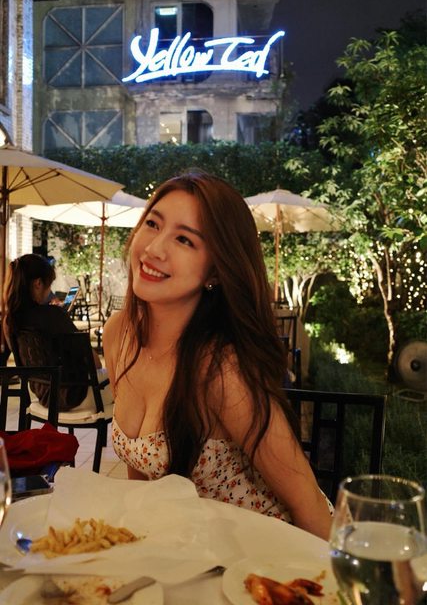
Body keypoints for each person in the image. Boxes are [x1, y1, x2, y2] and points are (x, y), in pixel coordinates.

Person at [103, 170, 333, 540]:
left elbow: (308, 503)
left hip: (266, 555)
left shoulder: (221, 370)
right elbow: (142, 473)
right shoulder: (119, 334)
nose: (154, 248)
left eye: (184, 239)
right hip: (186, 552)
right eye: (153, 223)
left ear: (215, 270)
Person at [3, 253, 110, 411]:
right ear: (38, 283)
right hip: (74, 397)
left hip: (41, 395)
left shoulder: (10, 320)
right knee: (120, 379)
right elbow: (96, 363)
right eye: (49, 285)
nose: (50, 291)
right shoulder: (53, 315)